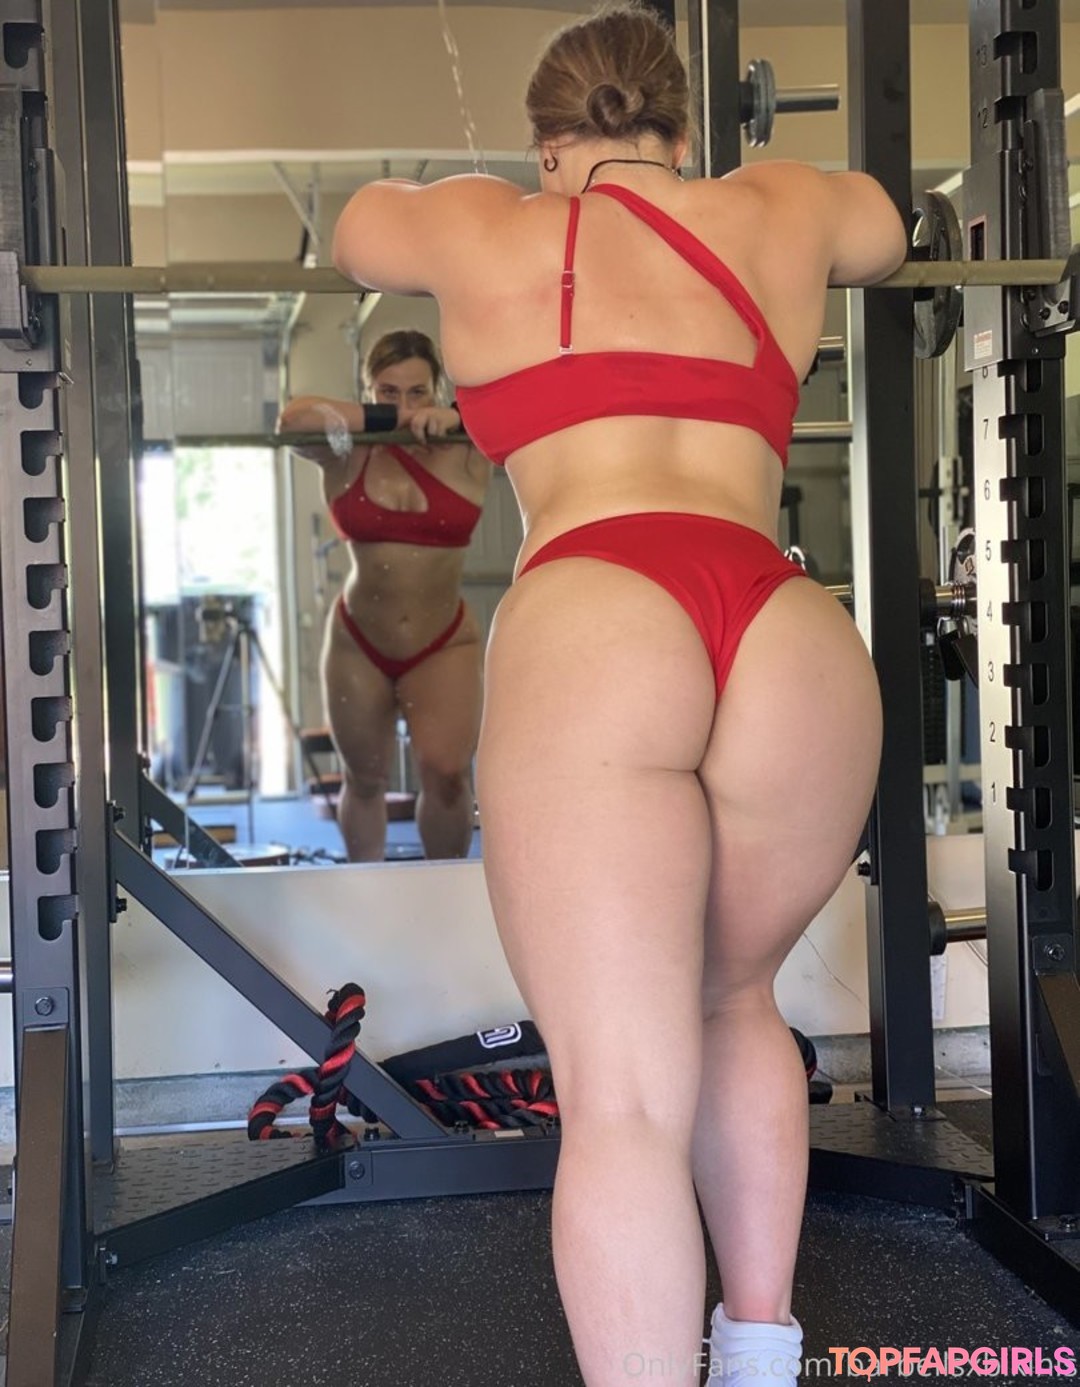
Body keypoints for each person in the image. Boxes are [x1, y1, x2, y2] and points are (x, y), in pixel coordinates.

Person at [332, 3, 907, 1381]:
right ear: (683, 128)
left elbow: (359, 229)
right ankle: (758, 1351)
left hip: (604, 610)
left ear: (549, 146)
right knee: (737, 997)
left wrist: (509, 204)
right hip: (785, 623)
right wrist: (747, 194)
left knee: (626, 1098)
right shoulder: (778, 204)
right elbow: (887, 228)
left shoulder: (486, 225)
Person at [280, 330, 491, 862]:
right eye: (388, 392)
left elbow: (524, 409)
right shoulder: (345, 452)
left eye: (418, 393)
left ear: (436, 389)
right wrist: (387, 420)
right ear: (369, 392)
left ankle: (442, 891)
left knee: (446, 776)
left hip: (443, 642)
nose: (406, 405)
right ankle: (365, 889)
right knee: (364, 779)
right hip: (359, 642)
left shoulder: (467, 449)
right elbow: (293, 420)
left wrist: (458, 417)